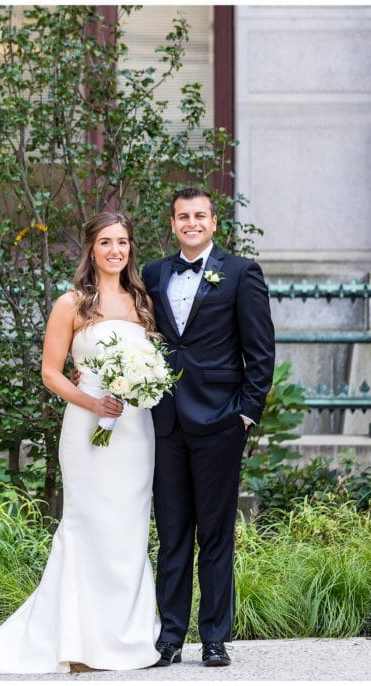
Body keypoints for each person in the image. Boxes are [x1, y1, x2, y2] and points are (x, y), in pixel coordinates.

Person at [0, 212, 161, 675]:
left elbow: (152, 362)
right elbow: (50, 372)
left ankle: (125, 638)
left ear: (130, 248)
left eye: (122, 242)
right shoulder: (73, 303)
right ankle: (77, 642)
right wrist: (92, 402)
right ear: (91, 249)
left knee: (129, 529)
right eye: (106, 242)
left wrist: (140, 386)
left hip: (136, 431)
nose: (115, 250)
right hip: (88, 428)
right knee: (89, 524)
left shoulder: (142, 303)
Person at [141, 188, 275, 668]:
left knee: (215, 534)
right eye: (183, 216)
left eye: (199, 215)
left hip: (220, 421)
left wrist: (246, 413)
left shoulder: (241, 274)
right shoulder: (154, 273)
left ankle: (214, 638)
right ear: (173, 223)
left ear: (214, 222)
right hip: (164, 421)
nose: (191, 223)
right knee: (173, 532)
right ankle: (170, 638)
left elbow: (260, 351)